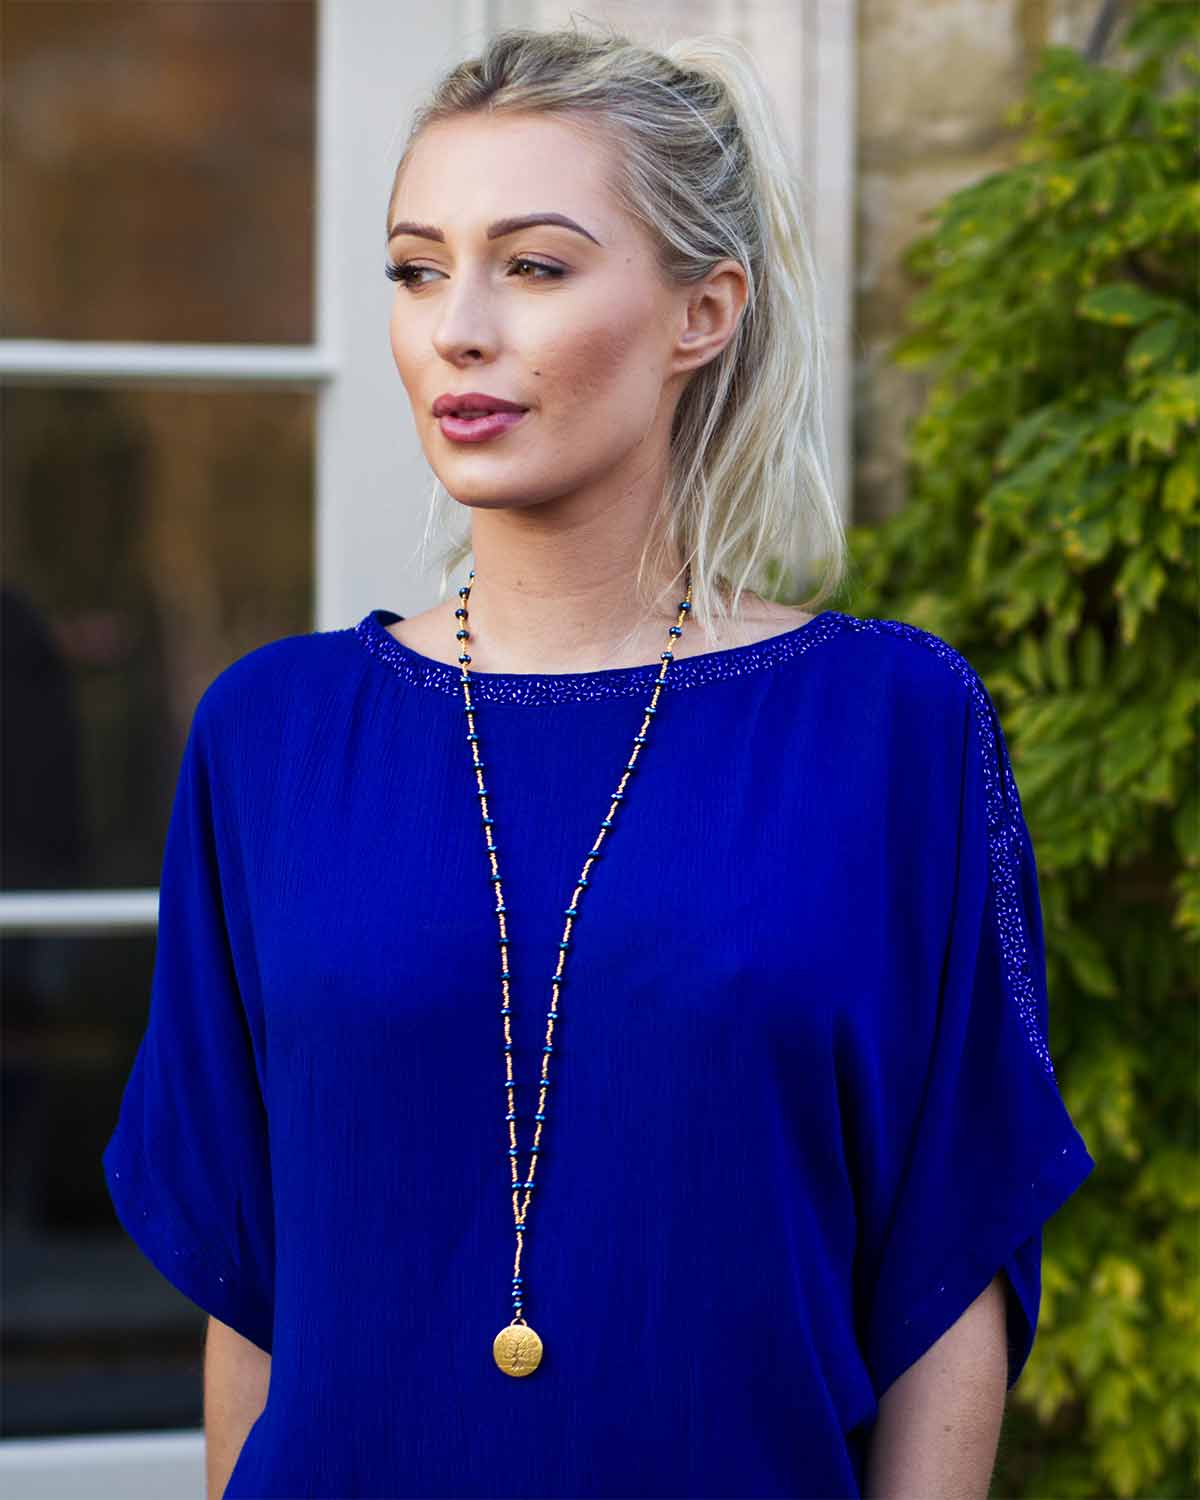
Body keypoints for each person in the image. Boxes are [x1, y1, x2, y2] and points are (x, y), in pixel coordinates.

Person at [102, 22, 1096, 1499]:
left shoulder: (892, 725)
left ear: (704, 312)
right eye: (418, 267)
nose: (459, 327)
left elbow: (951, 1263)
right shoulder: (272, 736)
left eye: (538, 265)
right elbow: (246, 1287)